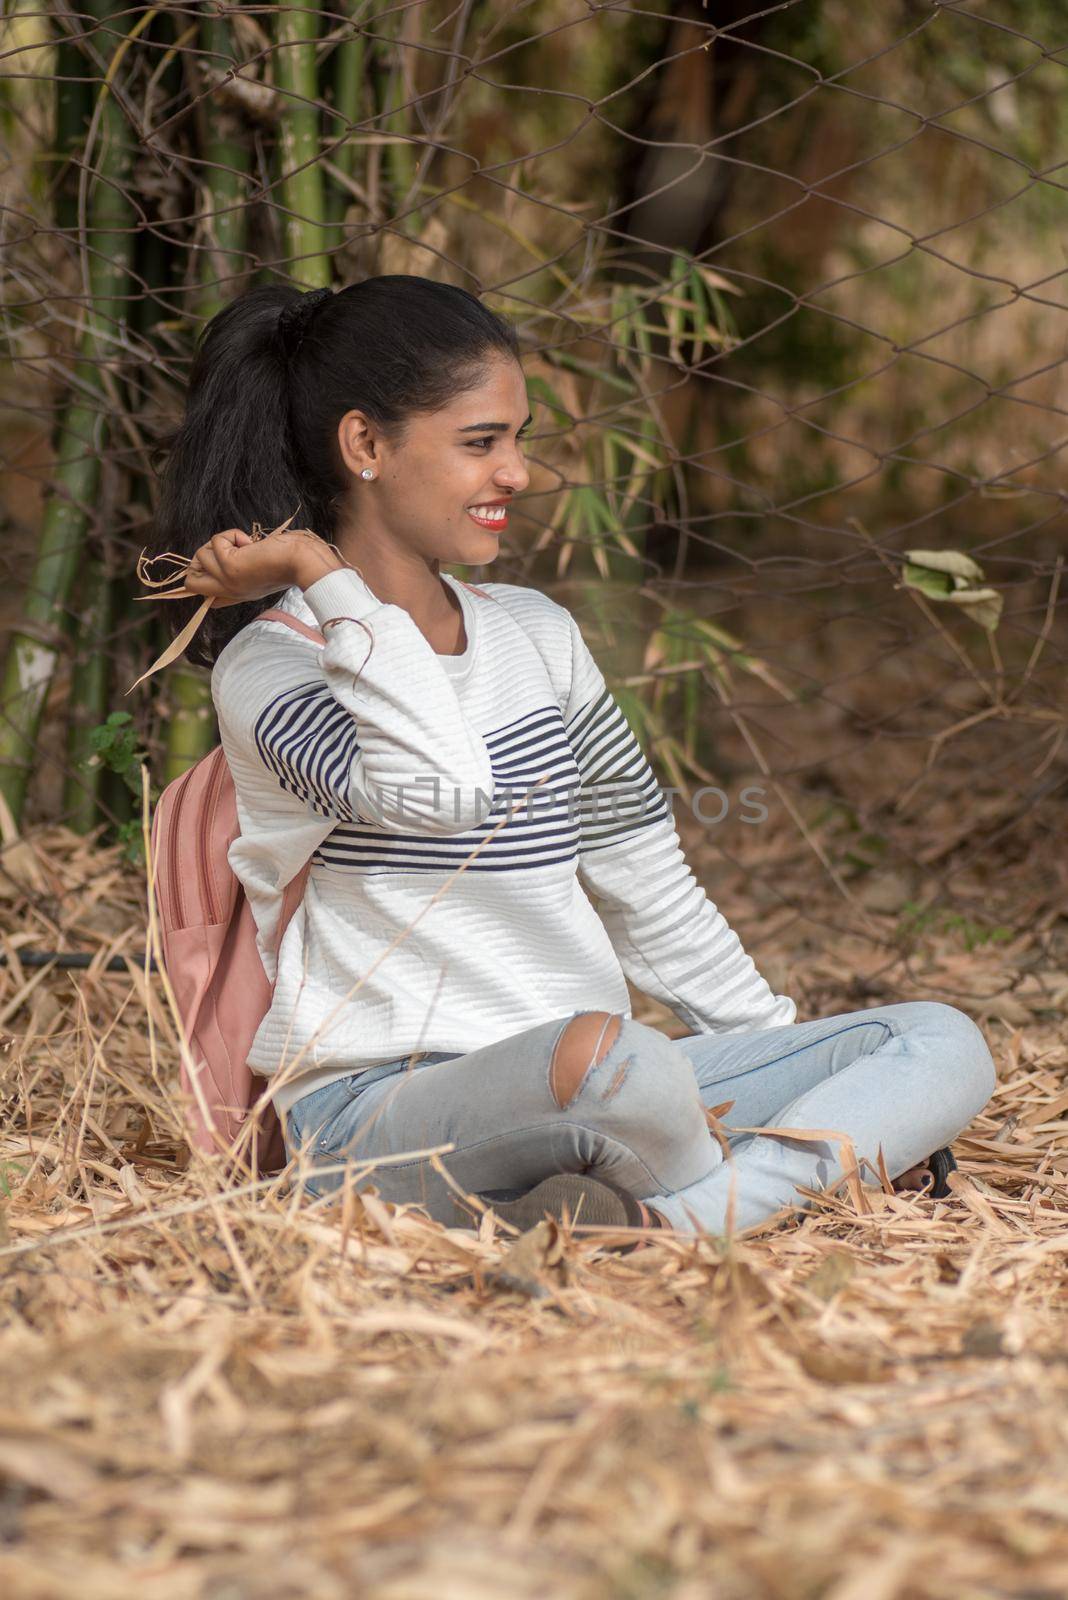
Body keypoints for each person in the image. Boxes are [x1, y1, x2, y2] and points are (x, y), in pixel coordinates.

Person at [146, 274, 996, 1245]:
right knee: (618, 1068)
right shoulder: (273, 670)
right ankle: (774, 1178)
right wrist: (320, 574)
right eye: (481, 442)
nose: (520, 473)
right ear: (366, 446)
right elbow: (445, 793)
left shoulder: (539, 638)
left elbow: (651, 890)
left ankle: (671, 1217)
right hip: (382, 1116)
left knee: (936, 1042)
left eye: (520, 438)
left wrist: (784, 1057)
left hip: (611, 1082)